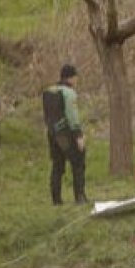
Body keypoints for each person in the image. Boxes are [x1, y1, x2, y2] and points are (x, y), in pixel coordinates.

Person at [43, 63, 87, 205]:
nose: (76, 80)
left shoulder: (49, 91)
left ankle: (56, 199)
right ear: (70, 78)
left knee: (57, 165)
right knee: (78, 161)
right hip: (66, 134)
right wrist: (78, 135)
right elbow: (72, 117)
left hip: (52, 133)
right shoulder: (69, 93)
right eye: (75, 77)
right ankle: (80, 197)